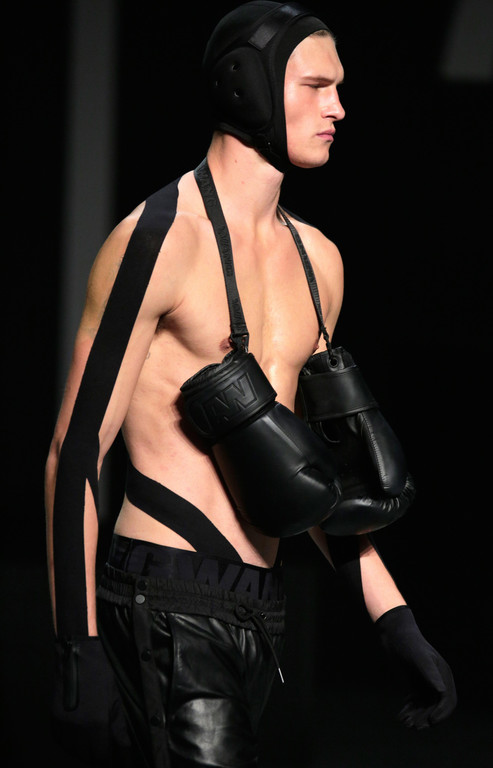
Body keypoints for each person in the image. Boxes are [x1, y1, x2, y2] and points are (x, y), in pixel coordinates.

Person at [45, 3, 457, 767]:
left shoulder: (319, 261)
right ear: (249, 85)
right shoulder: (158, 240)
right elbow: (76, 453)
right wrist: (79, 647)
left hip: (262, 610)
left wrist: (393, 619)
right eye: (316, 86)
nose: (339, 108)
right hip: (164, 596)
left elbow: (303, 475)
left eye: (338, 88)